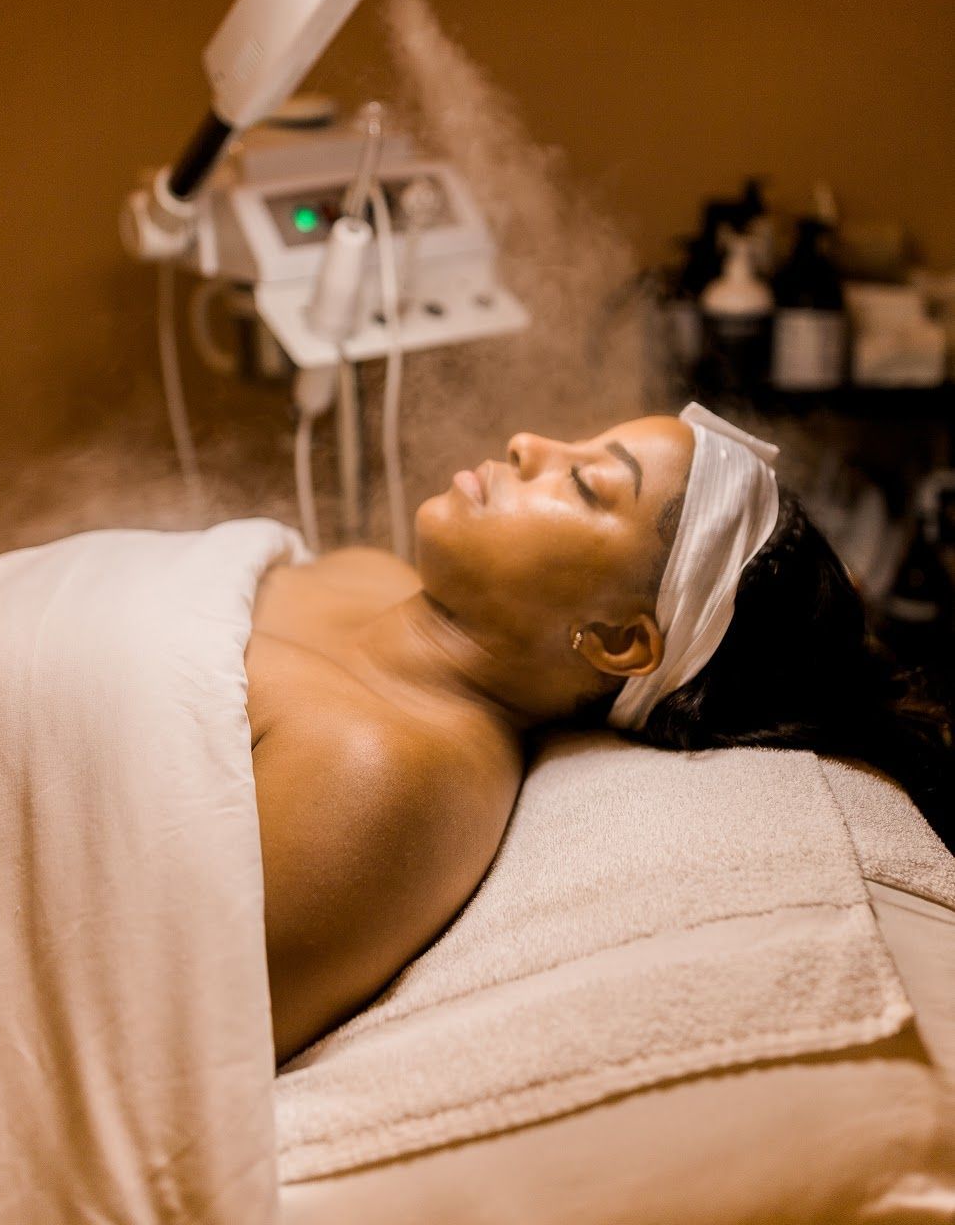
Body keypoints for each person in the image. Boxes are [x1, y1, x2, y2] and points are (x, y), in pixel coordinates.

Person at [249, 403, 954, 1065]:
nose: (526, 444)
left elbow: (182, 1047)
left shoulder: (373, 775)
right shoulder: (370, 574)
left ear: (618, 641)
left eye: (587, 483)